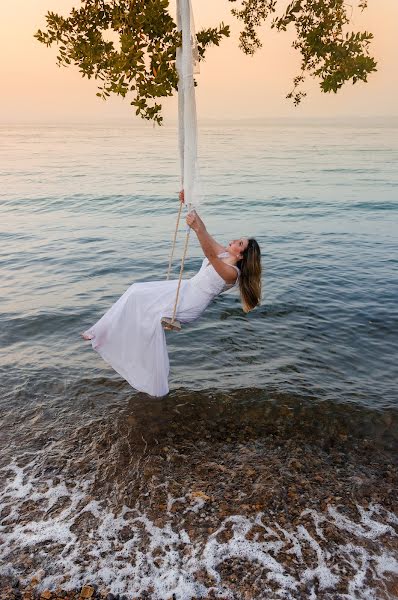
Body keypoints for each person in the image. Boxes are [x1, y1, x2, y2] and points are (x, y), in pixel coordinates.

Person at [81, 191, 262, 397]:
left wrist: (196, 230)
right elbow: (205, 231)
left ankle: (108, 340)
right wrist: (189, 203)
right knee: (135, 290)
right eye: (238, 240)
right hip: (185, 287)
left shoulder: (232, 273)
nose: (234, 241)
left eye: (239, 243)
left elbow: (209, 254)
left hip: (191, 301)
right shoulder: (225, 253)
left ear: (241, 255)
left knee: (144, 309)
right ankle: (103, 332)